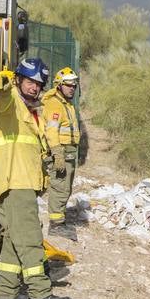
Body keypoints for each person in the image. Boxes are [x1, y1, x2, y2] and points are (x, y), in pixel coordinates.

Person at [0, 57, 73, 299]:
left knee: (15, 239)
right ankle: (40, 294)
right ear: (18, 81)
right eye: (29, 82)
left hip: (23, 181)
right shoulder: (10, 103)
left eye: (38, 84)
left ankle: (7, 294)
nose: (34, 88)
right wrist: (2, 83)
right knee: (30, 239)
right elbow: (1, 97)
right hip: (17, 181)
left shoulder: (31, 111)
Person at [41, 66, 86, 241]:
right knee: (60, 187)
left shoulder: (66, 104)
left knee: (65, 187)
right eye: (68, 85)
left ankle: (59, 220)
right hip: (61, 152)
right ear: (59, 85)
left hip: (68, 152)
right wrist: (58, 154)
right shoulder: (55, 104)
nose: (72, 88)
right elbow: (51, 132)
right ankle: (56, 225)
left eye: (74, 85)